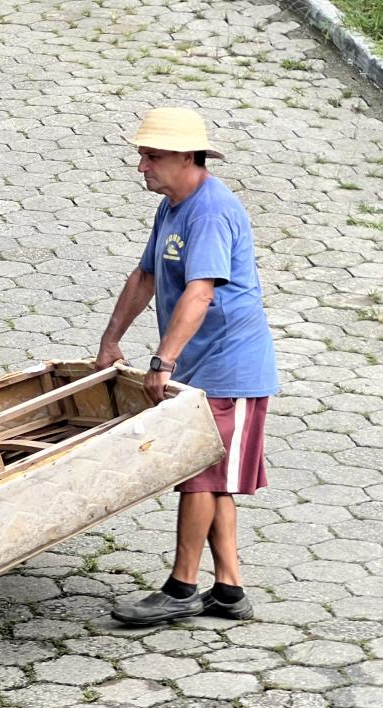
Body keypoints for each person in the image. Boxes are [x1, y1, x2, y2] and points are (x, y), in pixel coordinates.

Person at [97, 107, 280, 624]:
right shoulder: (173, 207)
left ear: (185, 158)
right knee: (210, 478)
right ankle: (229, 591)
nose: (142, 167)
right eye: (142, 156)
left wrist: (163, 360)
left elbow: (201, 293)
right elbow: (145, 277)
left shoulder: (211, 212)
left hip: (231, 367)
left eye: (152, 157)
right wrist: (111, 340)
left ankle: (181, 588)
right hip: (200, 367)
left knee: (199, 476)